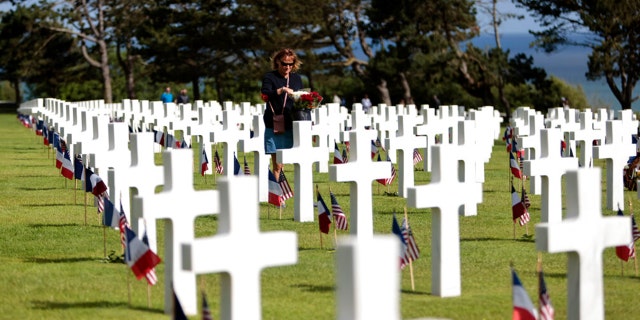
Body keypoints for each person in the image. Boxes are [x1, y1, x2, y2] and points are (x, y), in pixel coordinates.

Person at [261, 48, 304, 181]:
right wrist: (281, 90)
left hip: (290, 122)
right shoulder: (270, 77)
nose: (287, 67)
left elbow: (301, 98)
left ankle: (281, 192)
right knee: (277, 164)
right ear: (278, 62)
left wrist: (298, 96)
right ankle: (278, 198)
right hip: (273, 122)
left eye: (290, 64)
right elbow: (265, 94)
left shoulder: (296, 78)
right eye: (284, 63)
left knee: (284, 162)